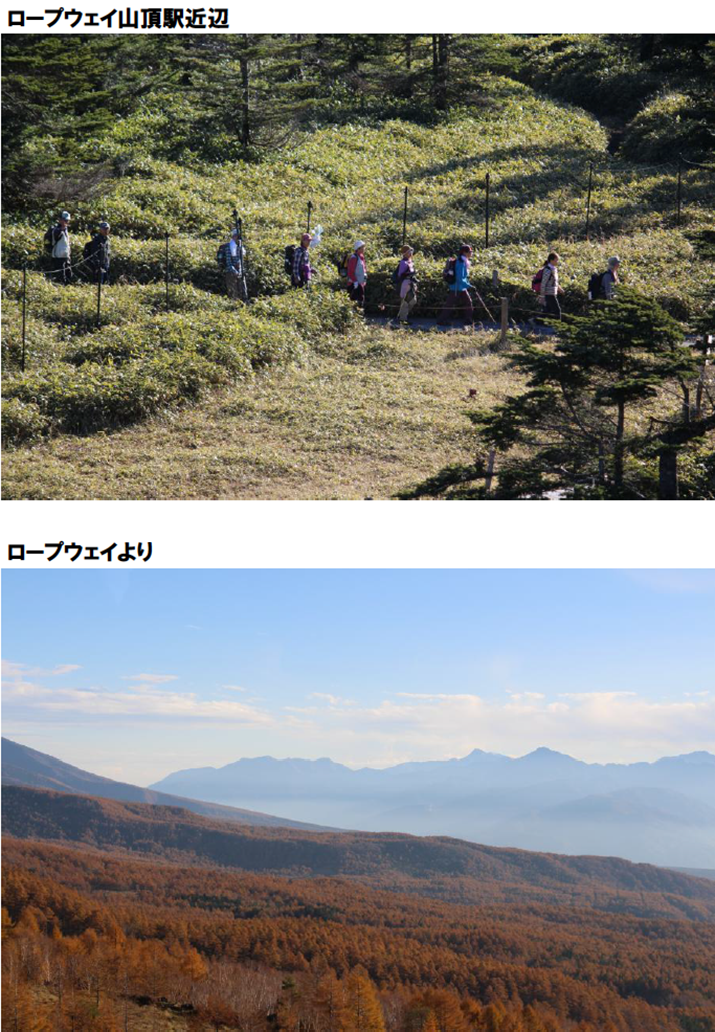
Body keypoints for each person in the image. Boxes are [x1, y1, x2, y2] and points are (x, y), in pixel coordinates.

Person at [438, 244, 474, 328]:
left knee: (467, 303)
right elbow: (460, 278)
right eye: (470, 251)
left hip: (459, 287)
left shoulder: (463, 261)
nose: (471, 253)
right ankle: (441, 320)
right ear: (464, 253)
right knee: (450, 304)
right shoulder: (461, 263)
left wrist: (467, 285)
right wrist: (469, 285)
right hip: (457, 287)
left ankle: (468, 320)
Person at [44, 211, 72, 285]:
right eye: (65, 220)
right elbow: (54, 239)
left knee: (68, 275)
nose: (66, 222)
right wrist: (61, 229)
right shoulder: (56, 230)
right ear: (60, 220)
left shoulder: (65, 230)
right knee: (61, 277)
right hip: (58, 257)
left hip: (65, 256)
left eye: (67, 220)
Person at [393, 245, 418, 326]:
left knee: (413, 301)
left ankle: (402, 316)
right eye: (409, 251)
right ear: (405, 253)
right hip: (405, 284)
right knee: (406, 301)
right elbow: (400, 275)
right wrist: (409, 274)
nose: (411, 253)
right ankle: (402, 320)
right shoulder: (403, 263)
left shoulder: (410, 261)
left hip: (411, 283)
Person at [538, 251, 564, 320]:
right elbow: (543, 283)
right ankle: (558, 326)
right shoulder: (548, 270)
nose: (557, 262)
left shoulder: (553, 269)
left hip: (552, 292)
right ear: (551, 260)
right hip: (549, 293)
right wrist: (542, 296)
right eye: (556, 260)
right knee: (557, 311)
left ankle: (535, 321)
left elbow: (554, 282)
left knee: (547, 311)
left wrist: (559, 289)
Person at [224, 228, 247, 300]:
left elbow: (240, 260)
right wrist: (236, 272)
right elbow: (228, 263)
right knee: (233, 293)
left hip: (240, 272)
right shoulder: (228, 247)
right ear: (233, 237)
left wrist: (240, 272)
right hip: (231, 273)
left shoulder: (240, 247)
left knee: (243, 292)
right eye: (236, 236)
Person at [347, 241, 367, 307]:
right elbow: (350, 272)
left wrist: (364, 279)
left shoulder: (361, 257)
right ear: (358, 248)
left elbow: (364, 269)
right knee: (353, 301)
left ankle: (359, 315)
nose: (364, 248)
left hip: (360, 283)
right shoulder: (353, 258)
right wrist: (355, 281)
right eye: (363, 247)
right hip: (353, 284)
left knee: (361, 300)